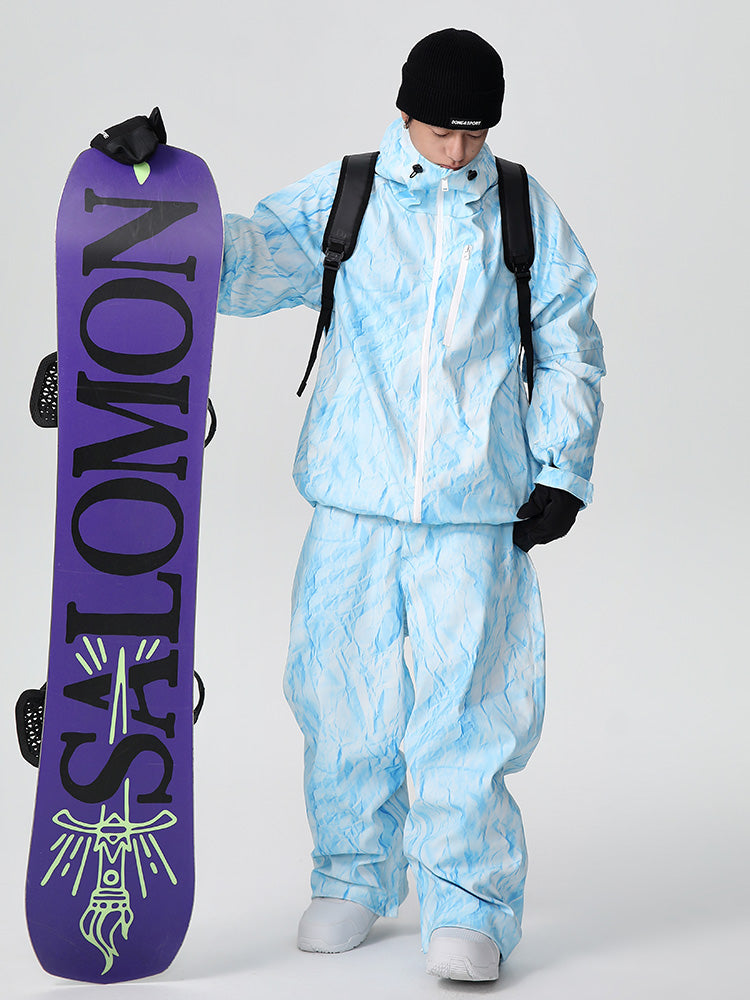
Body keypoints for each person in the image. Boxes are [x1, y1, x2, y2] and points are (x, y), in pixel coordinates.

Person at [217, 27, 604, 982]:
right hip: (354, 496)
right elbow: (247, 264)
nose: (459, 149)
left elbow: (568, 338)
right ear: (404, 112)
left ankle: (468, 903)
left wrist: (562, 467)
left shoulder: (521, 208)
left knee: (470, 706)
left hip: (476, 503)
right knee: (338, 694)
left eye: (476, 132)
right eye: (441, 130)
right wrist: (162, 200)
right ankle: (352, 876)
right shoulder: (348, 194)